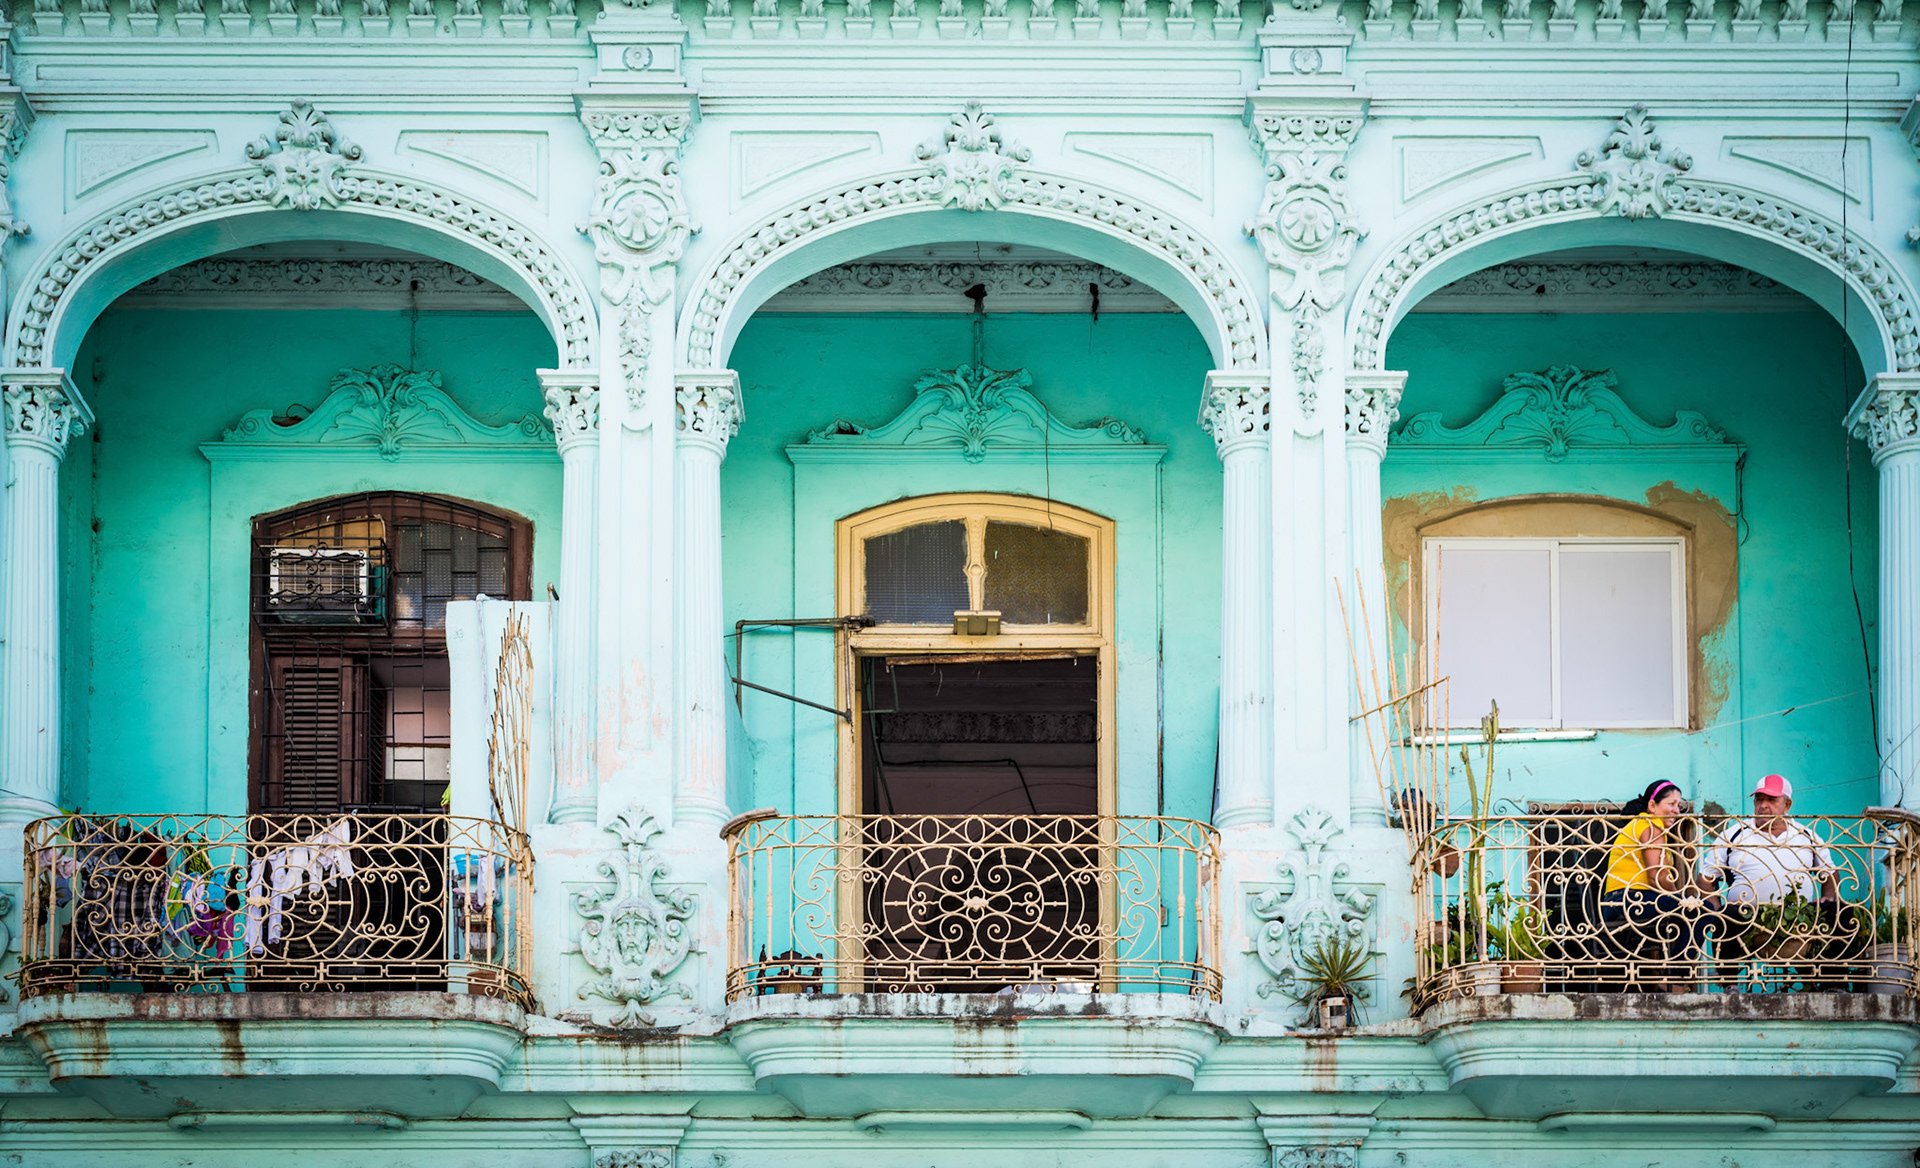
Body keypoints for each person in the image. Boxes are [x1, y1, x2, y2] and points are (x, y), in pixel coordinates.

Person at [1706, 774, 1840, 974]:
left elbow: (1830, 872)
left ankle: (1833, 981)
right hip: (1747, 916)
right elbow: (1706, 877)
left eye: (1771, 800)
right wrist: (1715, 909)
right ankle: (1729, 985)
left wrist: (1828, 898)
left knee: (1840, 912)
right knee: (1726, 916)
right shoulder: (1734, 834)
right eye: (1759, 800)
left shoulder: (1806, 836)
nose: (1763, 806)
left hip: (1798, 917)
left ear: (1787, 805)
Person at [1601, 779, 1718, 992]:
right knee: (1703, 910)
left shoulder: (1640, 824)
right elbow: (1656, 877)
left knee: (1691, 912)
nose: (1676, 810)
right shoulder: (1651, 826)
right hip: (1628, 901)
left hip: (1619, 902)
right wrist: (1682, 899)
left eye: (1679, 806)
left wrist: (1679, 901)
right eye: (1671, 804)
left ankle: (1671, 978)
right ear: (1653, 806)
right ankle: (1675, 981)